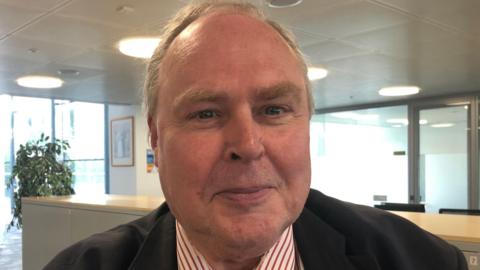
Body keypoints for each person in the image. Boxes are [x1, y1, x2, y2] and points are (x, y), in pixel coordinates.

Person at [44, 1, 467, 269]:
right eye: (206, 113)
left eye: (274, 110)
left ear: (306, 124)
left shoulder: (420, 260)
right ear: (156, 137)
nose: (247, 145)